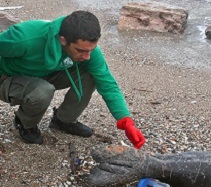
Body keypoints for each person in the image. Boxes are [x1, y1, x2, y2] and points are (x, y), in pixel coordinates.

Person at [0, 10, 145, 148]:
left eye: (91, 50)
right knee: (43, 90)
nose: (87, 56)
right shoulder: (25, 38)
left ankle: (64, 120)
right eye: (81, 50)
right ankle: (26, 124)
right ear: (63, 40)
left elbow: (107, 83)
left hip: (44, 74)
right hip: (7, 77)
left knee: (92, 75)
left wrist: (125, 120)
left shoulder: (87, 51)